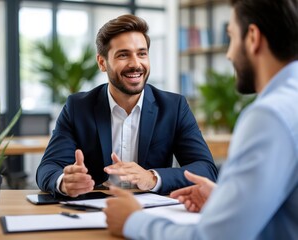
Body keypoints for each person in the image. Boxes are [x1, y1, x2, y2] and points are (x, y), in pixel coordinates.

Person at [103, 0, 298, 239]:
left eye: (231, 37)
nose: (229, 54)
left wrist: (132, 221)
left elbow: (215, 237)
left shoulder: (269, 116)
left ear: (253, 38)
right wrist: (223, 200)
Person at [36, 14, 218, 198]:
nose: (135, 64)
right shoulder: (78, 107)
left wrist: (152, 178)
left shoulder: (174, 107)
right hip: (95, 211)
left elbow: (206, 169)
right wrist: (64, 182)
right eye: (123, 55)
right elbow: (48, 167)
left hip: (152, 213)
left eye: (142, 53)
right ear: (102, 63)